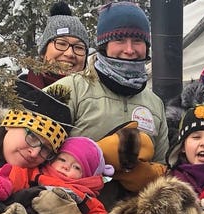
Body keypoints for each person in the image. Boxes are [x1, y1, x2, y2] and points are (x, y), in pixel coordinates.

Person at [43, 1, 168, 203]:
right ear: (104, 44)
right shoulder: (71, 89)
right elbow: (32, 151)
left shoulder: (155, 104)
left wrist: (149, 176)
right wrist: (93, 156)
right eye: (119, 39)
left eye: (137, 41)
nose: (129, 49)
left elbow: (163, 165)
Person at [0, 135, 112, 214]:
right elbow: (17, 174)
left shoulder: (83, 196)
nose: (66, 167)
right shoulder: (37, 174)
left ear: (86, 177)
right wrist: (3, 183)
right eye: (62, 160)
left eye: (76, 167)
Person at [17, 3, 90, 113]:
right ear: (43, 52)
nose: (70, 53)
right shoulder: (18, 91)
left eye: (79, 47)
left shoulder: (96, 95)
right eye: (61, 43)